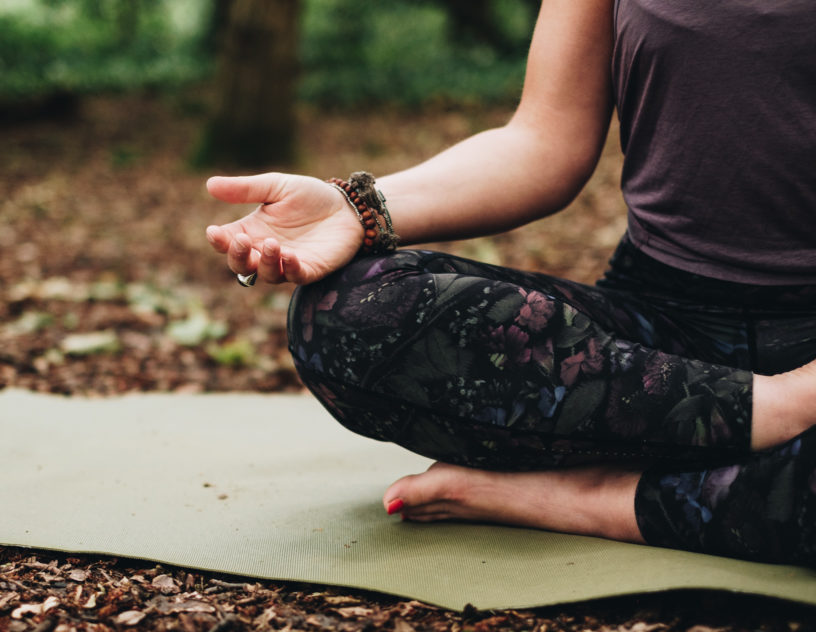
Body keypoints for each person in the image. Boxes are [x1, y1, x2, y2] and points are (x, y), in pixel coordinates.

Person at [204, 0, 816, 565]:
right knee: (346, 313)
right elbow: (544, 141)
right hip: (662, 340)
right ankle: (760, 442)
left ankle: (596, 496)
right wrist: (358, 209)